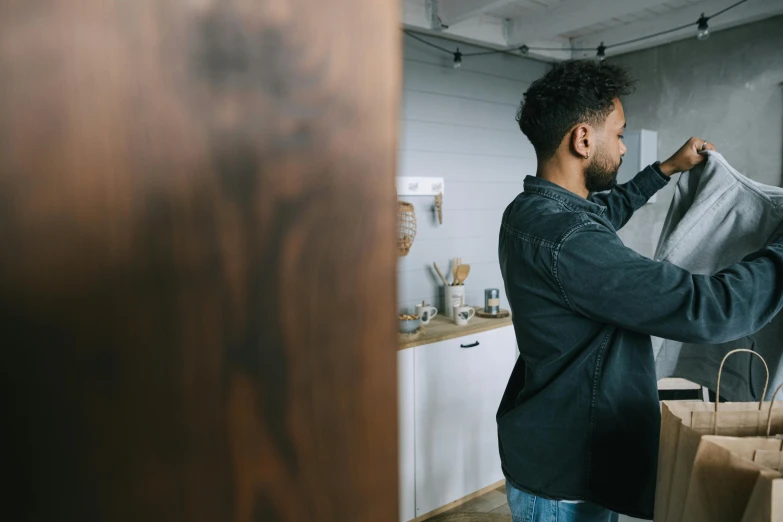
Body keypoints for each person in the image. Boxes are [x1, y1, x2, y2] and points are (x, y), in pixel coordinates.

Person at [497, 59, 783, 522]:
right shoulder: (570, 241)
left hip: (559, 455)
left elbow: (603, 213)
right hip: (566, 483)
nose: (625, 147)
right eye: (621, 133)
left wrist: (667, 168)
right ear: (583, 139)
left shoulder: (533, 211)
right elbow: (709, 308)